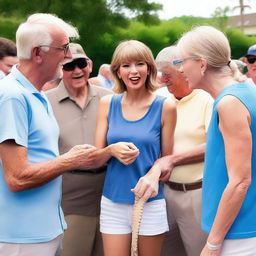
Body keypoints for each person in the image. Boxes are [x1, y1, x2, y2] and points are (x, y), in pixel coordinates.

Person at [0, 13, 96, 256]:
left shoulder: (34, 94)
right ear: (37, 53)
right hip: (21, 236)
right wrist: (71, 159)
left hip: (43, 230)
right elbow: (17, 178)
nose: (67, 57)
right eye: (63, 49)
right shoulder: (13, 97)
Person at [174, 25, 256, 255]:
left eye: (182, 62)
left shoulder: (229, 103)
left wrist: (212, 244)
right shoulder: (245, 92)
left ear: (201, 64)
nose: (180, 70)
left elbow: (240, 181)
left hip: (241, 234)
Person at [91, 40, 176, 256]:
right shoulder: (107, 103)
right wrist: (110, 151)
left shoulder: (165, 106)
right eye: (126, 65)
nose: (134, 71)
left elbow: (167, 164)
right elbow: (95, 159)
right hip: (112, 201)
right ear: (117, 71)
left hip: (150, 202)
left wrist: (155, 174)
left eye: (140, 63)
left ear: (149, 68)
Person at [46, 43, 113, 256]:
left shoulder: (109, 98)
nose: (76, 70)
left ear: (90, 64)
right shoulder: (45, 102)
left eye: (81, 63)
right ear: (59, 69)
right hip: (69, 198)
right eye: (69, 66)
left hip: (109, 194)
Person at [152, 46, 213, 256]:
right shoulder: (160, 99)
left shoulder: (206, 98)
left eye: (167, 74)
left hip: (196, 194)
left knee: (198, 251)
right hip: (163, 193)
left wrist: (172, 160)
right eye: (160, 74)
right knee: (165, 251)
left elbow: (215, 144)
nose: (162, 80)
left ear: (183, 70)